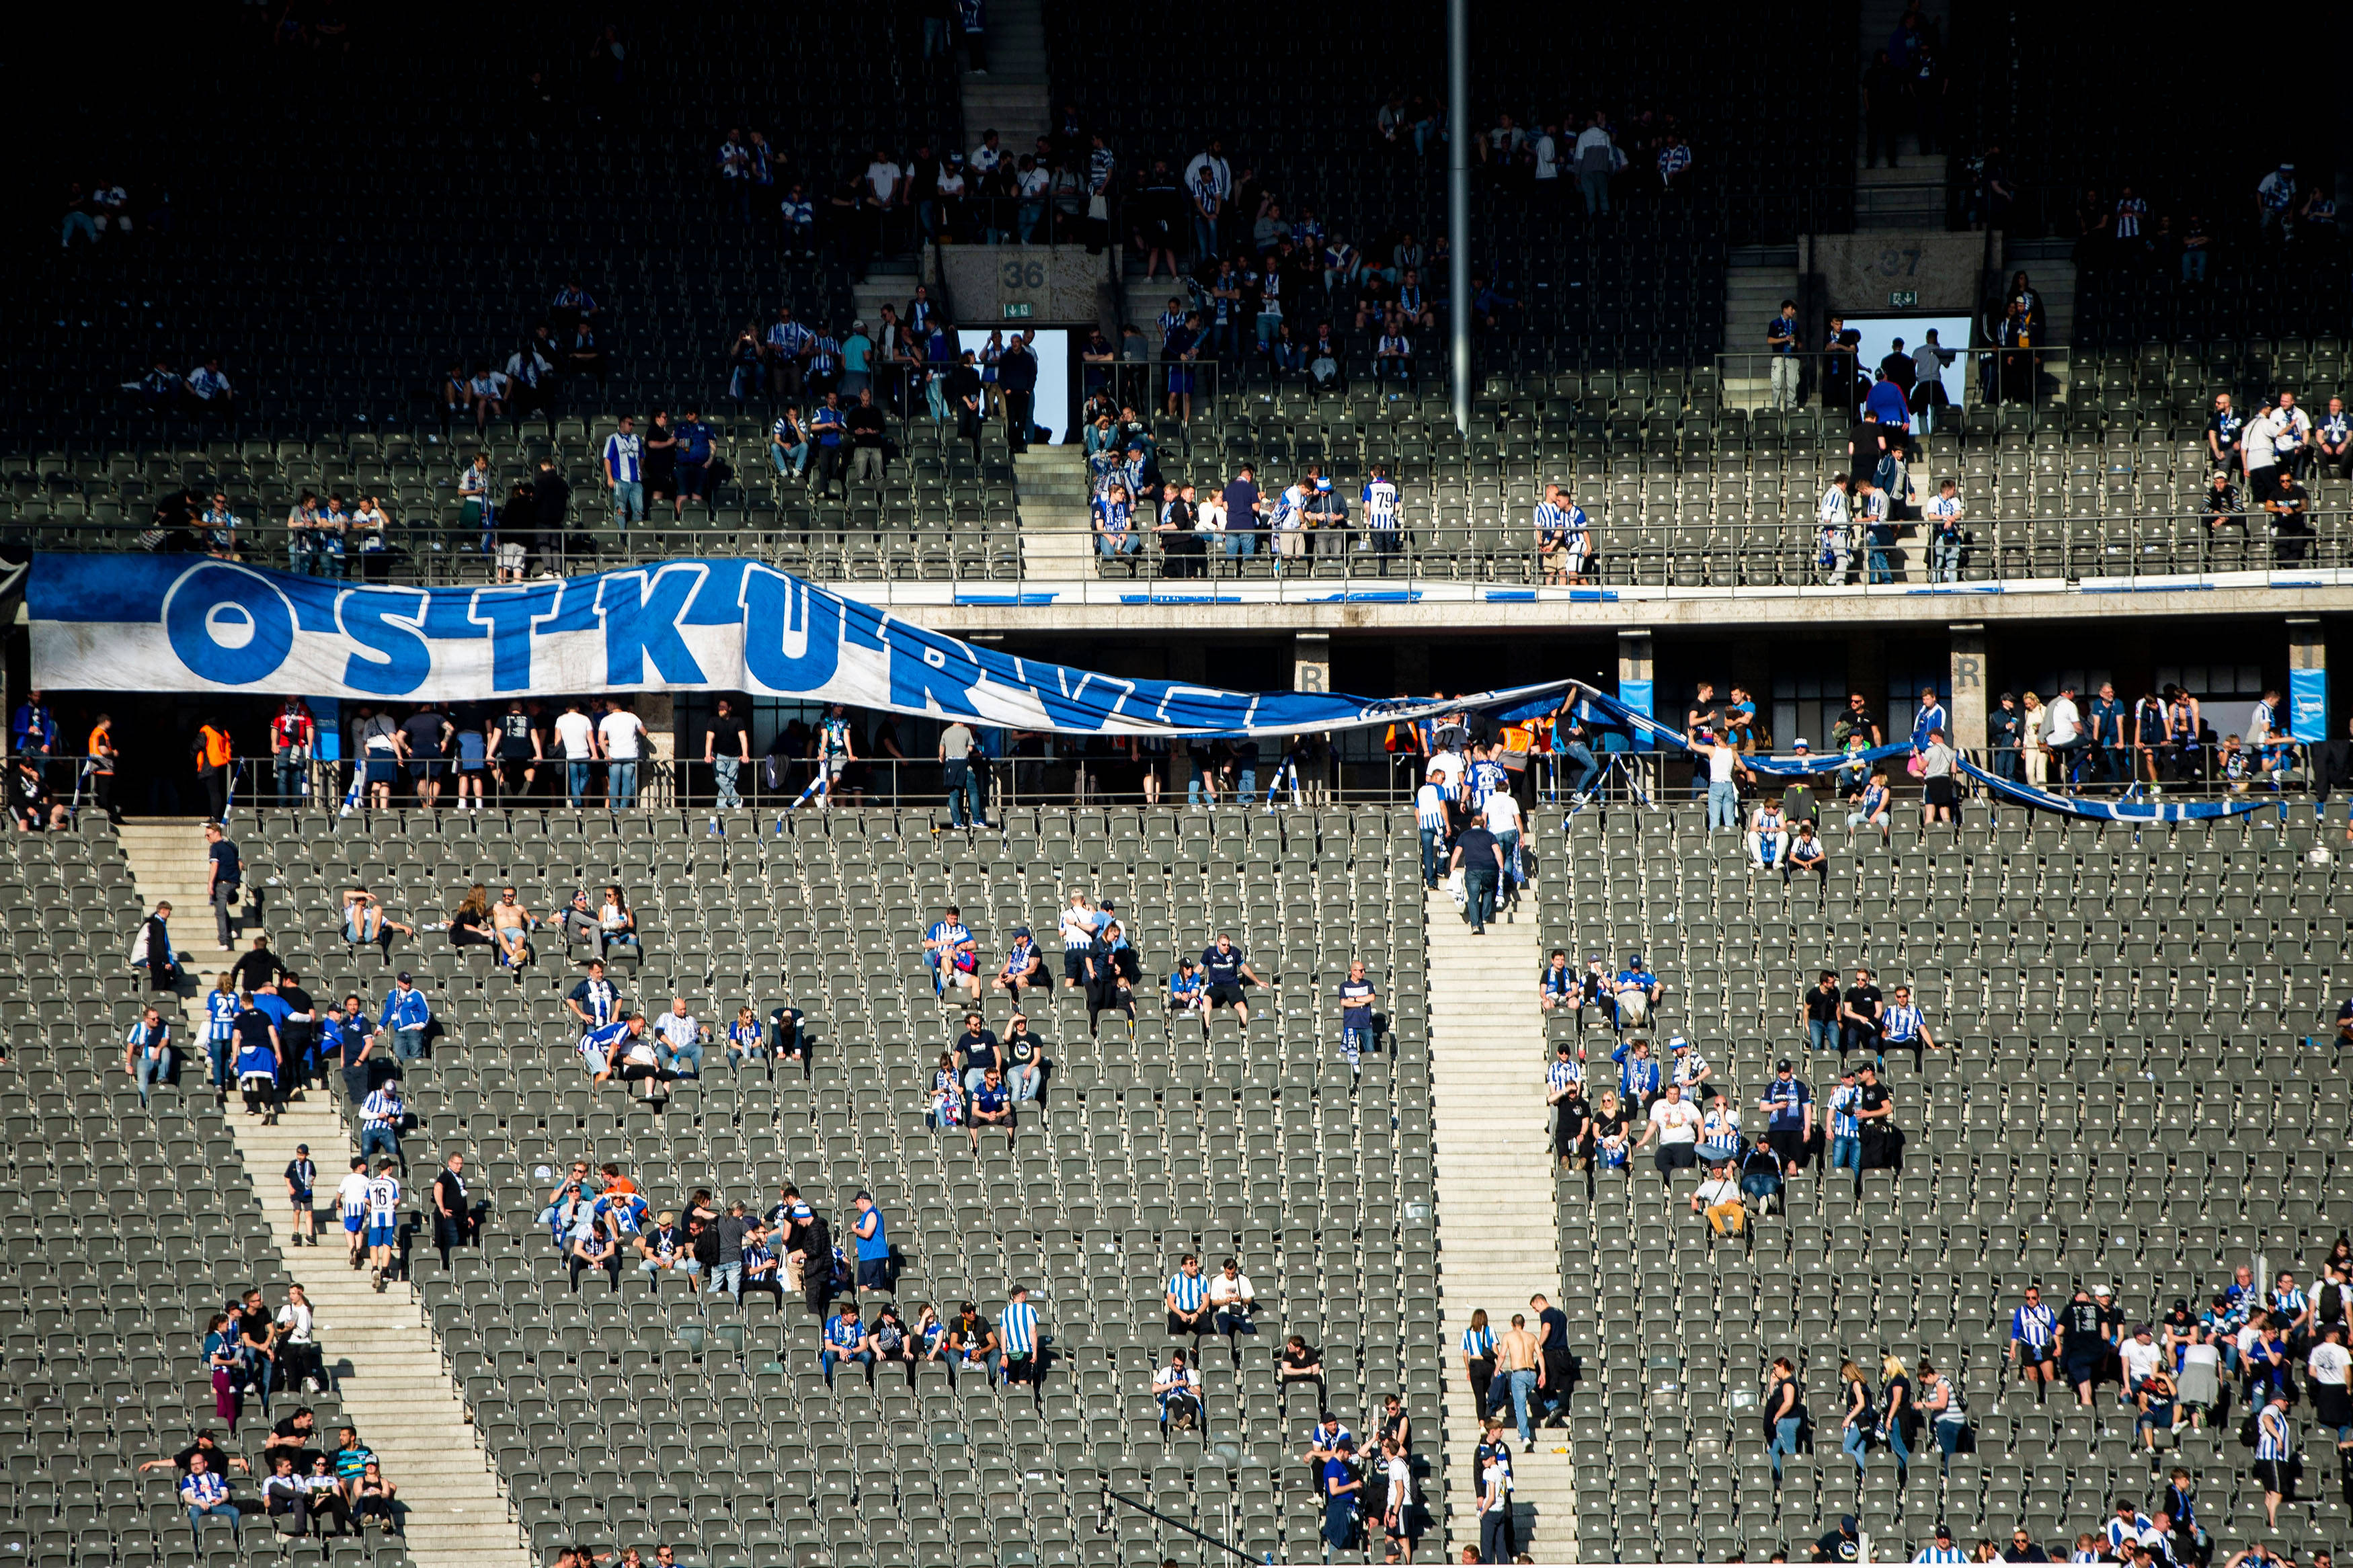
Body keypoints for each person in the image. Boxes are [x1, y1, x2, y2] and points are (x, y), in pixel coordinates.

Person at [1154, 1349, 1204, 1431]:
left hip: (1186, 1395)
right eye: (1176, 1365)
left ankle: (1185, 1420)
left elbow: (1198, 1393)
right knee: (1175, 1400)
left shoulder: (1190, 1372)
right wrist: (1172, 1384)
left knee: (1191, 1399)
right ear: (1172, 1361)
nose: (1178, 1368)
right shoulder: (1166, 1371)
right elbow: (1155, 1389)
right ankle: (1183, 1421)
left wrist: (1188, 1385)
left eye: (1181, 1366)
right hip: (1172, 1396)